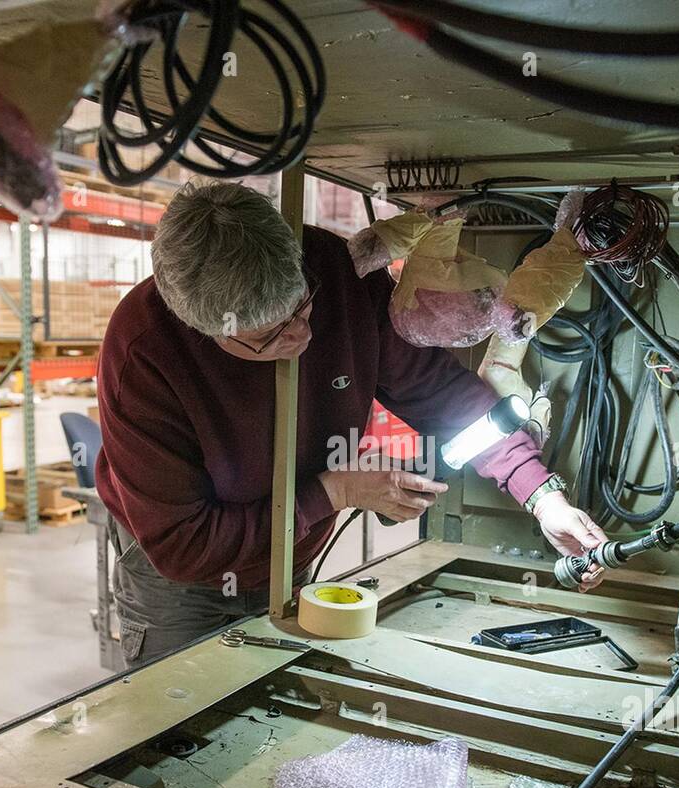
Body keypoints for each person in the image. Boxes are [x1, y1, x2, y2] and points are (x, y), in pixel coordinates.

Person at [95, 181, 606, 670]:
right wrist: (334, 493)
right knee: (180, 724)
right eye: (270, 336)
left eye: (303, 309)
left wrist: (542, 496)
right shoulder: (143, 353)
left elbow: (440, 394)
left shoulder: (334, 269)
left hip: (294, 549)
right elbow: (184, 545)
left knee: (274, 704)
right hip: (181, 584)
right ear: (205, 329)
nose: (301, 336)